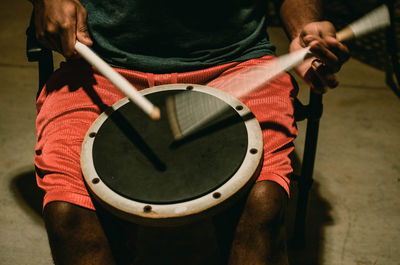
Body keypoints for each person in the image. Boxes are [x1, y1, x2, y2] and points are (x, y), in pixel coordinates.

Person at [31, 0, 349, 264]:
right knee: (69, 213)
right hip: (99, 63)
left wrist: (304, 27)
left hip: (237, 63)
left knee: (262, 202)